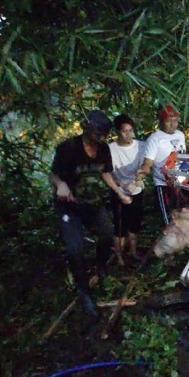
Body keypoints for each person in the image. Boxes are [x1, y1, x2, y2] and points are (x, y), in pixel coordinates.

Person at [49, 110, 132, 318]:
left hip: (93, 203)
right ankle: (84, 291)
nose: (101, 138)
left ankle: (101, 266)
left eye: (104, 134)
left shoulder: (103, 149)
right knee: (74, 248)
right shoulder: (69, 148)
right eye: (98, 134)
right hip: (70, 207)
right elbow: (53, 175)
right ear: (87, 129)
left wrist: (119, 193)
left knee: (107, 234)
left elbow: (105, 172)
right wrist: (61, 185)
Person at [137, 105, 187, 225]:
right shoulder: (154, 139)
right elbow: (148, 161)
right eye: (169, 121)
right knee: (169, 222)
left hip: (180, 183)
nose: (172, 124)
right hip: (163, 184)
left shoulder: (180, 135)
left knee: (184, 217)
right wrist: (144, 170)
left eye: (175, 121)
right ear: (161, 121)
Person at [109, 114, 146, 265]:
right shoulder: (111, 148)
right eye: (124, 131)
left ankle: (133, 251)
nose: (128, 134)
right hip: (119, 190)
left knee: (134, 223)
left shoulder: (141, 146)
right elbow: (108, 172)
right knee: (119, 225)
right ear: (118, 131)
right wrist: (122, 186)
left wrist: (139, 179)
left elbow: (146, 165)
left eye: (131, 130)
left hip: (137, 188)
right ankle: (119, 256)